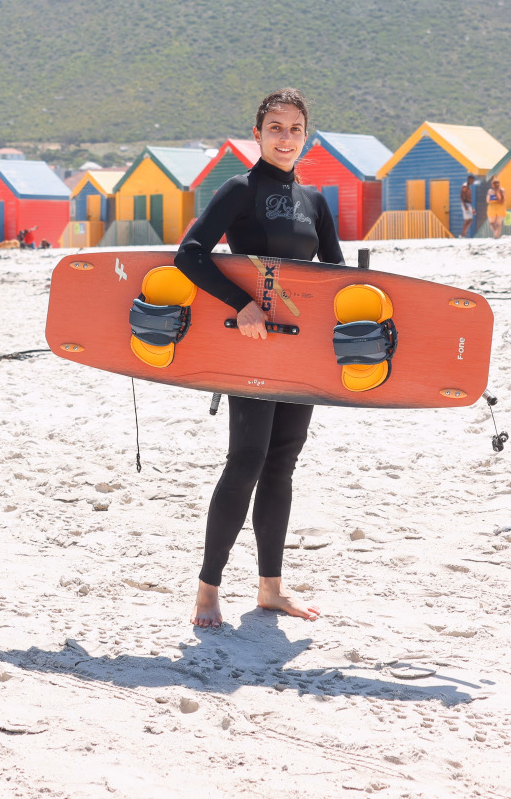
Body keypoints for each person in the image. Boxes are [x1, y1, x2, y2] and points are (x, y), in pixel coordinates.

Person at [176, 87, 340, 630]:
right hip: (250, 348)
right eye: (276, 127)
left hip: (299, 355)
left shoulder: (315, 202)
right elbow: (190, 255)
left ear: (306, 136)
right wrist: (240, 304)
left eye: (295, 128)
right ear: (258, 133)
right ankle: (208, 589)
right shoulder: (239, 189)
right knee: (245, 460)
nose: (285, 137)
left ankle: (271, 587)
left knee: (282, 464)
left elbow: (336, 279)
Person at [459, 174, 480, 238]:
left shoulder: (469, 186)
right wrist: (465, 205)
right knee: (470, 220)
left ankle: (463, 234)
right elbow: (462, 196)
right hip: (466, 204)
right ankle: (463, 234)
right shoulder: (465, 186)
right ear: (469, 180)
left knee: (467, 220)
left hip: (468, 204)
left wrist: (472, 208)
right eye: (472, 180)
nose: (473, 182)